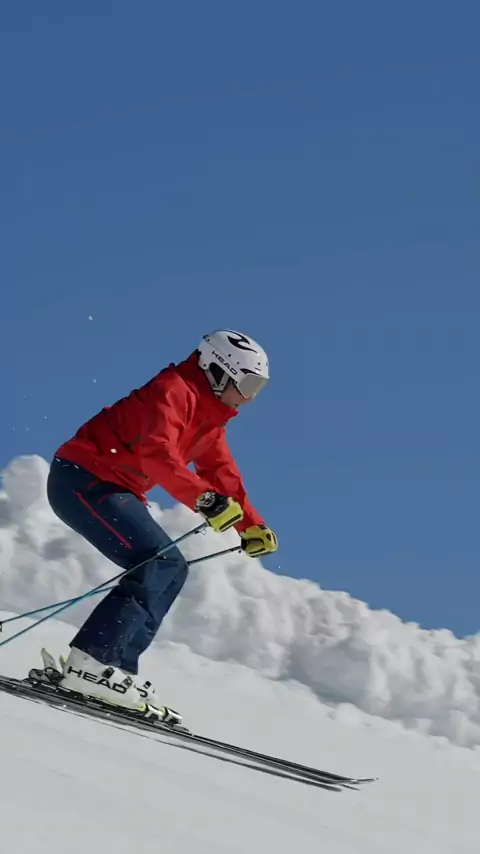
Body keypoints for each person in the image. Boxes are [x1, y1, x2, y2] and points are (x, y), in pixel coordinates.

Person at [46, 329, 278, 713]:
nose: (250, 397)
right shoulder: (171, 391)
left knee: (173, 568)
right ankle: (91, 661)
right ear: (218, 370)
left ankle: (116, 669)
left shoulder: (209, 419)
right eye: (248, 384)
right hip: (84, 479)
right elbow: (156, 454)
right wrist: (204, 500)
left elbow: (221, 473)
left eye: (258, 388)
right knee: (158, 562)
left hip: (113, 488)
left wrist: (251, 524)